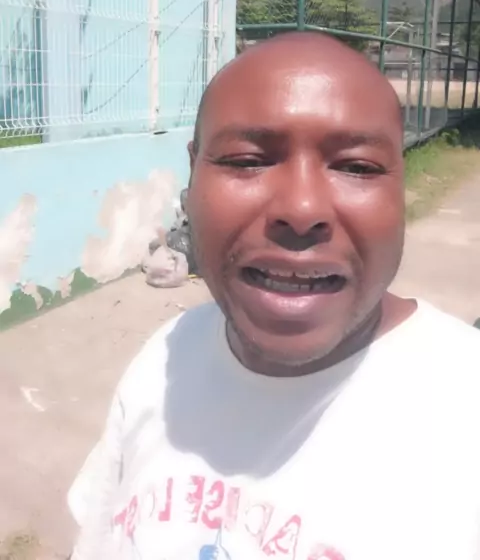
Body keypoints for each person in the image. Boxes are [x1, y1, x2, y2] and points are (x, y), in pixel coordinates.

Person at [68, 32, 480, 560]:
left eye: (356, 166)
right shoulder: (164, 358)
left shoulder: (465, 407)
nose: (302, 209)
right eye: (246, 161)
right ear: (192, 176)